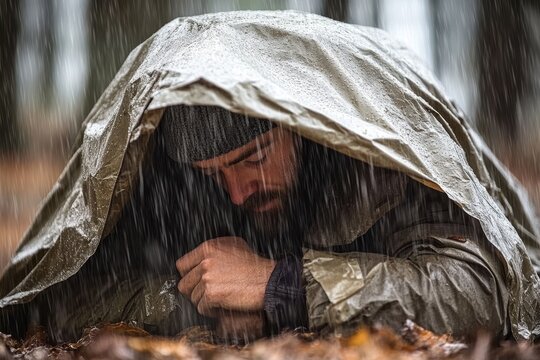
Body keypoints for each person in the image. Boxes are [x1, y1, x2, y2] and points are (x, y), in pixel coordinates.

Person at [1, 11, 539, 343]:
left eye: (254, 157)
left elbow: (479, 292)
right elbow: (55, 296)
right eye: (214, 174)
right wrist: (197, 302)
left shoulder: (373, 155)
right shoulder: (165, 179)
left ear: (300, 130)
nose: (237, 192)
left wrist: (280, 288)